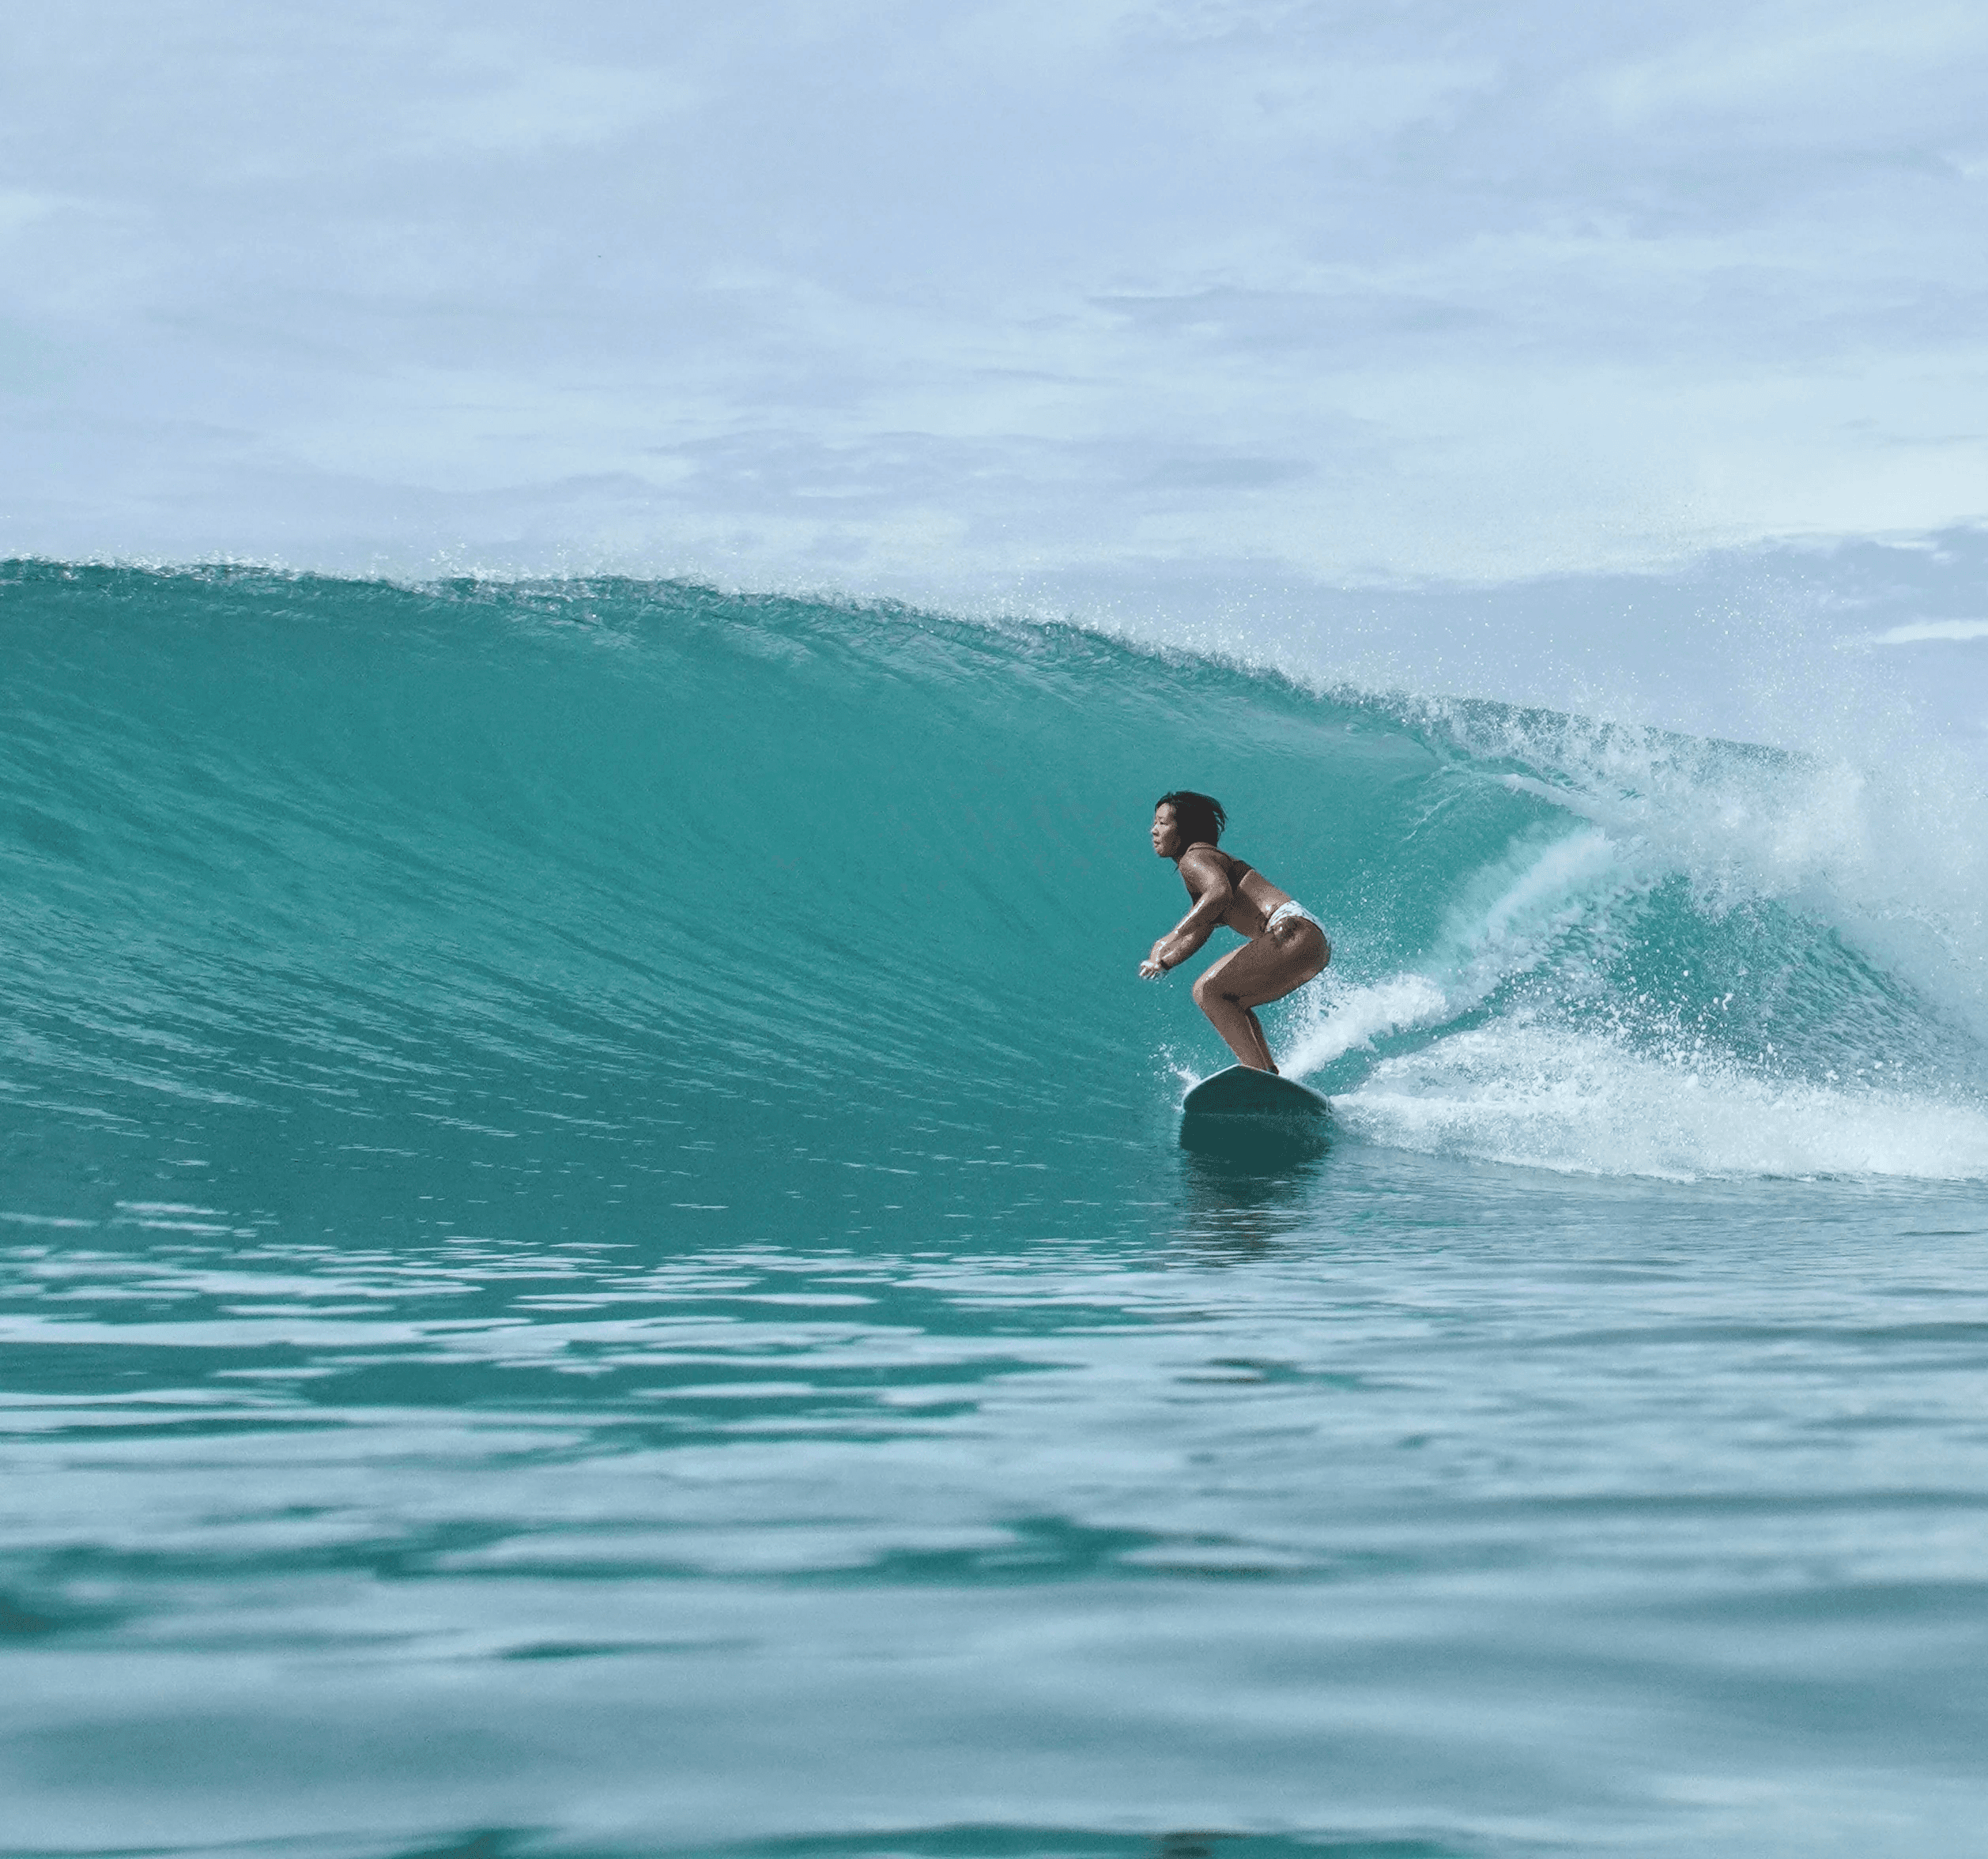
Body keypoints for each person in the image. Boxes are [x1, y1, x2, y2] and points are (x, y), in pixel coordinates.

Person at [1140, 790, 1330, 1073]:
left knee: (1208, 991)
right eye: (1155, 822)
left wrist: (1171, 936)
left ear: (1185, 830)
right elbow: (1202, 927)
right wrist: (1165, 960)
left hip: (1288, 930)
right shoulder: (1204, 861)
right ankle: (1268, 1075)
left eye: (1163, 823)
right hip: (1308, 938)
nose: (1153, 830)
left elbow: (1219, 894)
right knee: (1231, 1000)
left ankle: (1259, 1076)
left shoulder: (1195, 857)